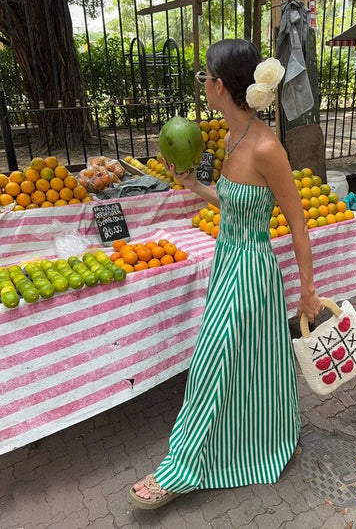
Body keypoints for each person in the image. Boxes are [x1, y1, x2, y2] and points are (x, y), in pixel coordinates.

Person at [130, 38, 321, 509]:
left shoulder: (266, 146)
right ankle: (261, 438)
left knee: (212, 364)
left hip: (251, 275)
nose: (202, 84)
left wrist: (309, 292)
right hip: (226, 266)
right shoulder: (232, 136)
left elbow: (297, 222)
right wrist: (195, 186)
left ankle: (180, 470)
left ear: (219, 85)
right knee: (250, 365)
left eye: (204, 76)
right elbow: (234, 204)